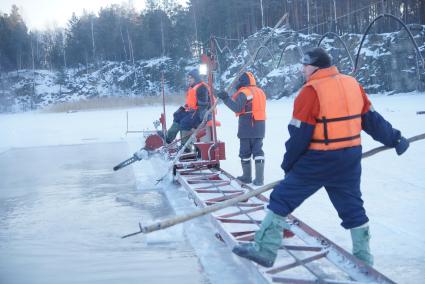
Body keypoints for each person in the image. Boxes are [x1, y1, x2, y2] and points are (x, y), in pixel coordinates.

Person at [232, 47, 410, 268]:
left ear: (314, 67)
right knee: (353, 208)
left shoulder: (311, 91)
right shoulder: (352, 84)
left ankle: (265, 250)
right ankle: (364, 261)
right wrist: (395, 139)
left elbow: (299, 135)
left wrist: (289, 165)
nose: (302, 70)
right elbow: (372, 119)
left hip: (319, 159)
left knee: (281, 198)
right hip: (349, 158)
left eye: (304, 66)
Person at [216, 71, 267, 186]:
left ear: (243, 81)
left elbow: (237, 108)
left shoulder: (244, 92)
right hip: (260, 126)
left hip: (247, 126)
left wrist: (225, 98)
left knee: (245, 152)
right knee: (258, 151)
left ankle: (247, 177)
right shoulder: (260, 92)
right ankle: (259, 180)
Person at [165, 69, 211, 151]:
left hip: (201, 114)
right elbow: (190, 103)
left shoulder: (202, 88)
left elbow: (203, 106)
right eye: (188, 78)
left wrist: (196, 114)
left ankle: (186, 147)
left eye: (191, 78)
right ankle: (168, 138)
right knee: (177, 116)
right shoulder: (192, 88)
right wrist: (184, 109)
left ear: (196, 78)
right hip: (192, 112)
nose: (189, 79)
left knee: (185, 122)